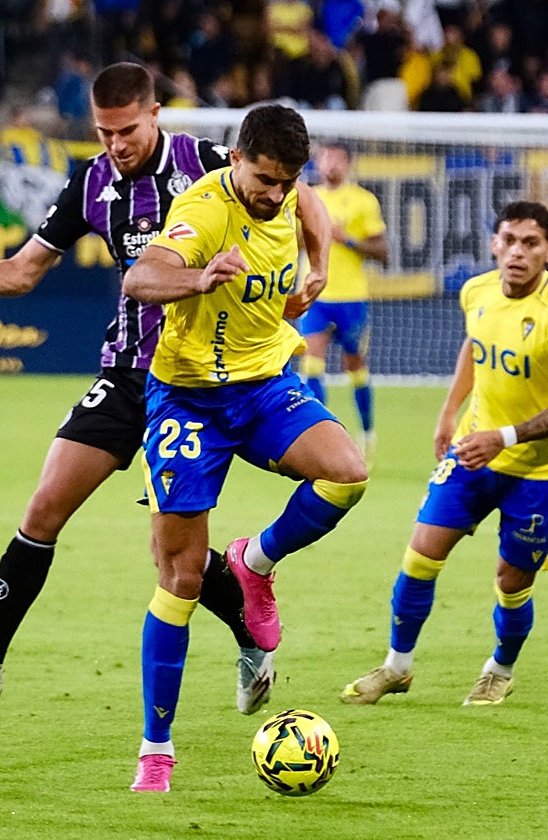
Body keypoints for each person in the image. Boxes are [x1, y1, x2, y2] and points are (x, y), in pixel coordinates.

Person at [0, 64, 329, 719]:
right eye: (104, 132)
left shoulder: (210, 161)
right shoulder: (91, 181)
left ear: (156, 113)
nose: (116, 143)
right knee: (45, 506)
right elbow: (23, 273)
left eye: (127, 129)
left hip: (201, 380)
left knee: (174, 560)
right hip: (126, 372)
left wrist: (315, 271)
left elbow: (299, 193)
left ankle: (250, 637)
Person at [121, 103, 368, 792]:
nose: (274, 193)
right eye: (263, 178)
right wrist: (199, 278)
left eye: (284, 180)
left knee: (348, 473)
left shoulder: (289, 193)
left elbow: (312, 206)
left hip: (262, 384)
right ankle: (156, 751)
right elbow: (140, 280)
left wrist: (316, 265)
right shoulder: (205, 211)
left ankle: (255, 562)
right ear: (236, 160)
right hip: (190, 400)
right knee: (181, 578)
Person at [341, 201, 548, 708]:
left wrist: (505, 437)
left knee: (511, 582)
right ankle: (397, 666)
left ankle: (499, 668)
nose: (517, 252)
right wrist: (448, 413)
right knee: (420, 555)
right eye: (509, 241)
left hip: (538, 470)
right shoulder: (476, 290)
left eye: (530, 243)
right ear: (494, 244)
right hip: (474, 452)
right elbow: (475, 347)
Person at [300, 140, 388, 461]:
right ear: (318, 164)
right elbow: (293, 241)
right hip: (315, 295)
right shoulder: (307, 198)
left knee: (355, 366)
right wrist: (313, 231)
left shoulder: (363, 201)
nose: (331, 165)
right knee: (312, 363)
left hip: (352, 297)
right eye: (326, 158)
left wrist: (346, 238)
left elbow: (382, 252)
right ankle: (319, 436)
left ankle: (367, 432)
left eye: (338, 159)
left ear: (348, 164)